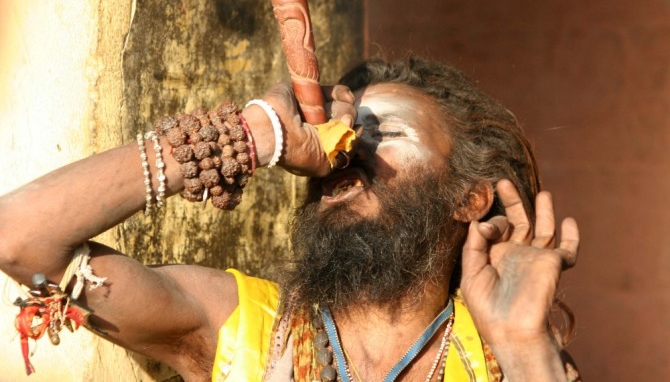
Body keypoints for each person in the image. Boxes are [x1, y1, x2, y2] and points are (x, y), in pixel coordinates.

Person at [0, 57, 580, 381]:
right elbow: (19, 237)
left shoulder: (500, 360)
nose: (348, 146)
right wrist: (246, 137)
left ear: (469, 200)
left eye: (388, 133)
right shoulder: (240, 331)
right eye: (344, 134)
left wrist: (525, 344)